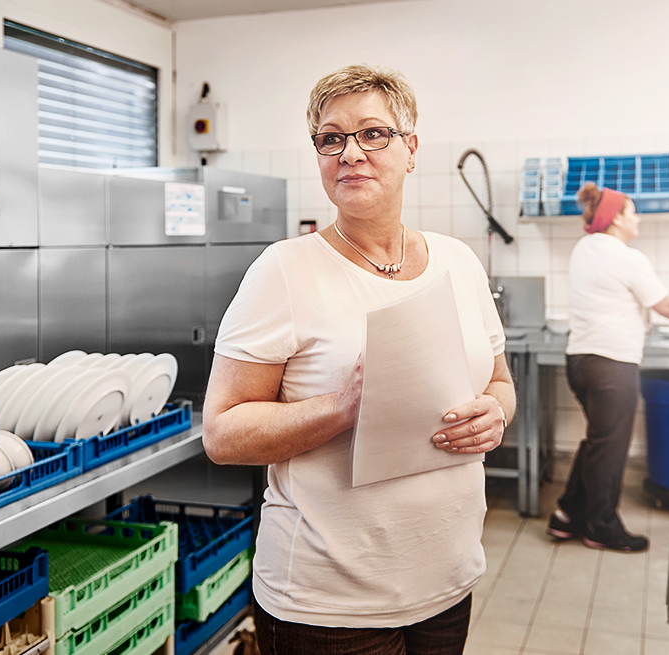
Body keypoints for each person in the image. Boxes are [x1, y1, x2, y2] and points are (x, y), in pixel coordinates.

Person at [202, 64, 516, 655]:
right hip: (328, 604)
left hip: (447, 584)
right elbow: (223, 434)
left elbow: (500, 382)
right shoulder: (285, 271)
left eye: (373, 133)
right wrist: (343, 407)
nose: (351, 152)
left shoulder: (459, 263)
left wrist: (495, 414)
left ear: (411, 149)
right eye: (331, 138)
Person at [547, 182, 669, 552]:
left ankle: (566, 515)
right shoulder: (627, 257)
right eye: (632, 211)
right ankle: (601, 527)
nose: (638, 218)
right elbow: (666, 306)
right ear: (616, 218)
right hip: (612, 365)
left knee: (599, 441)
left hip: (580, 361)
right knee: (611, 447)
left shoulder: (584, 249)